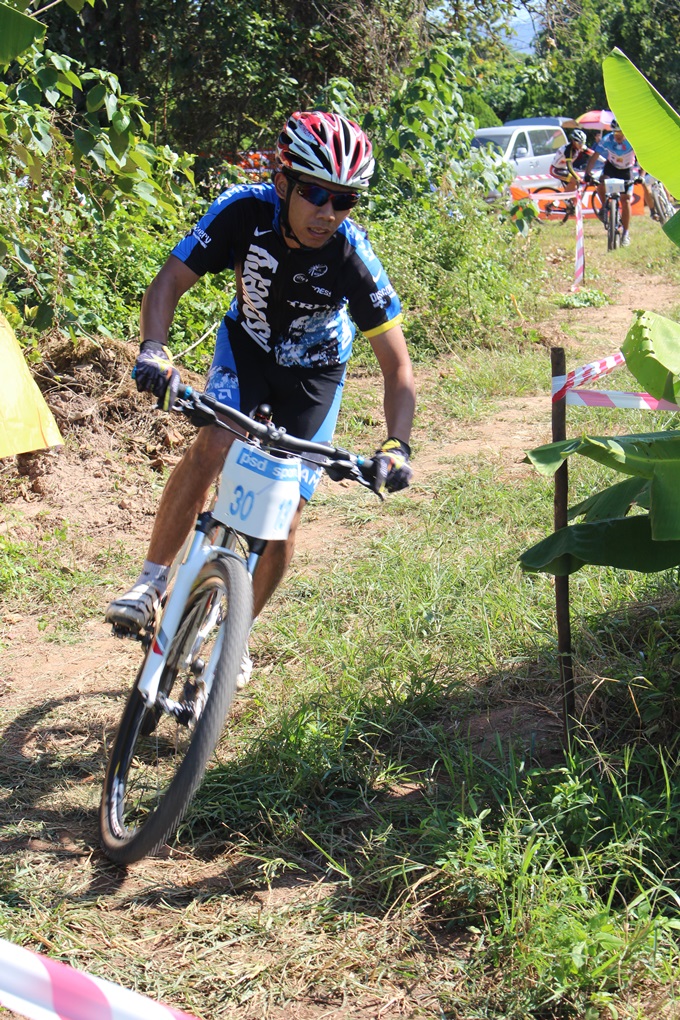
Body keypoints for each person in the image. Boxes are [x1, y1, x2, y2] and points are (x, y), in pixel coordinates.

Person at [105, 110, 416, 685]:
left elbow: (396, 365)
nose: (328, 212)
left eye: (344, 200)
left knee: (287, 515)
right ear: (282, 182)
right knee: (213, 443)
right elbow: (169, 281)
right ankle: (150, 583)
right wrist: (154, 350)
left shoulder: (352, 256)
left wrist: (397, 446)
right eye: (315, 193)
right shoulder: (243, 211)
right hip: (246, 350)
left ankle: (235, 635)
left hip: (315, 376)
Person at [584, 119, 637, 246]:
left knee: (626, 200)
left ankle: (625, 233)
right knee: (600, 184)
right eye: (616, 133)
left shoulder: (632, 140)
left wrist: (641, 175)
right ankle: (604, 206)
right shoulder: (607, 139)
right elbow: (595, 156)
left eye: (621, 133)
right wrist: (587, 173)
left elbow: (643, 157)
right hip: (611, 167)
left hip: (626, 170)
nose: (618, 136)